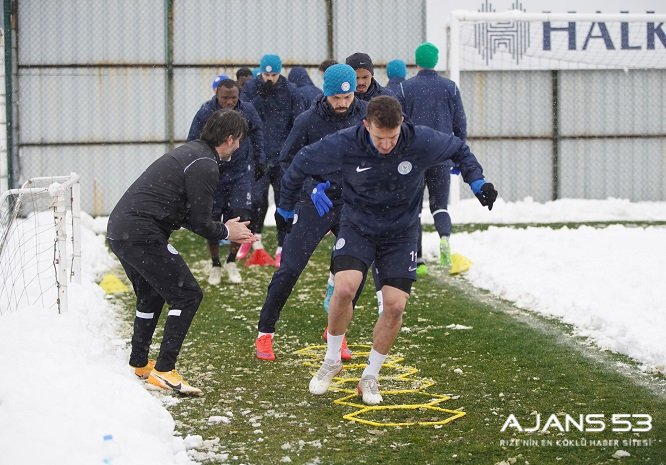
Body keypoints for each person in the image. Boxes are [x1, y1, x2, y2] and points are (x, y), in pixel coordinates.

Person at [276, 96, 497, 405]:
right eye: (380, 137)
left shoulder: (419, 140)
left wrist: (477, 181)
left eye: (392, 138)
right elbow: (299, 162)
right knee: (344, 288)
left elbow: (458, 148)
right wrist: (285, 208)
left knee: (394, 306)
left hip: (401, 234)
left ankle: (370, 376)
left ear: (401, 126)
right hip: (357, 226)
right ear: (366, 126)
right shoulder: (345, 143)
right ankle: (332, 360)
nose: (386, 144)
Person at [107, 110, 255, 396]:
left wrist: (224, 228)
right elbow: (200, 222)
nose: (238, 147)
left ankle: (139, 363)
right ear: (229, 139)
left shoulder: (193, 153)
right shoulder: (205, 163)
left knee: (151, 293)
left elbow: (186, 213)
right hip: (139, 232)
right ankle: (164, 370)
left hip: (122, 229)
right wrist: (226, 231)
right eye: (238, 141)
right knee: (187, 294)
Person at [255, 64, 367, 362]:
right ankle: (265, 333)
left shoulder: (366, 115)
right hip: (315, 202)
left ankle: (336, 333)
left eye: (347, 97)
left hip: (351, 205)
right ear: (327, 94)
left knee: (354, 274)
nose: (343, 104)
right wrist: (310, 186)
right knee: (290, 268)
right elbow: (286, 161)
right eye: (336, 98)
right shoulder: (308, 120)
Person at [397, 42, 467, 275]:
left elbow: (400, 123)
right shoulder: (450, 87)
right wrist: (458, 154)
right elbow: (460, 123)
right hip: (442, 155)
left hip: (414, 158)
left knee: (413, 209)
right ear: (436, 62)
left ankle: (417, 259)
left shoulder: (406, 88)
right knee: (439, 205)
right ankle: (444, 238)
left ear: (417, 63)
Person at [187, 78, 265, 285]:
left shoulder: (247, 109)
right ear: (217, 95)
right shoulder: (206, 112)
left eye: (233, 98)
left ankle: (231, 261)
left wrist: (260, 160)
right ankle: (215, 264)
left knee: (241, 216)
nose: (229, 102)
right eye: (225, 98)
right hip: (215, 172)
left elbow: (257, 132)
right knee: (212, 219)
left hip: (240, 172)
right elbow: (193, 139)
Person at [242, 54, 306, 267]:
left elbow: (297, 123)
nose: (270, 78)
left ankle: (282, 246)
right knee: (256, 200)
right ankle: (254, 243)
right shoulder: (251, 88)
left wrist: (290, 152)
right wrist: (261, 97)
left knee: (284, 201)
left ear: (281, 72)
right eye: (266, 74)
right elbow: (244, 116)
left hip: (282, 157)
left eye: (274, 74)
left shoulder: (291, 91)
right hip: (258, 155)